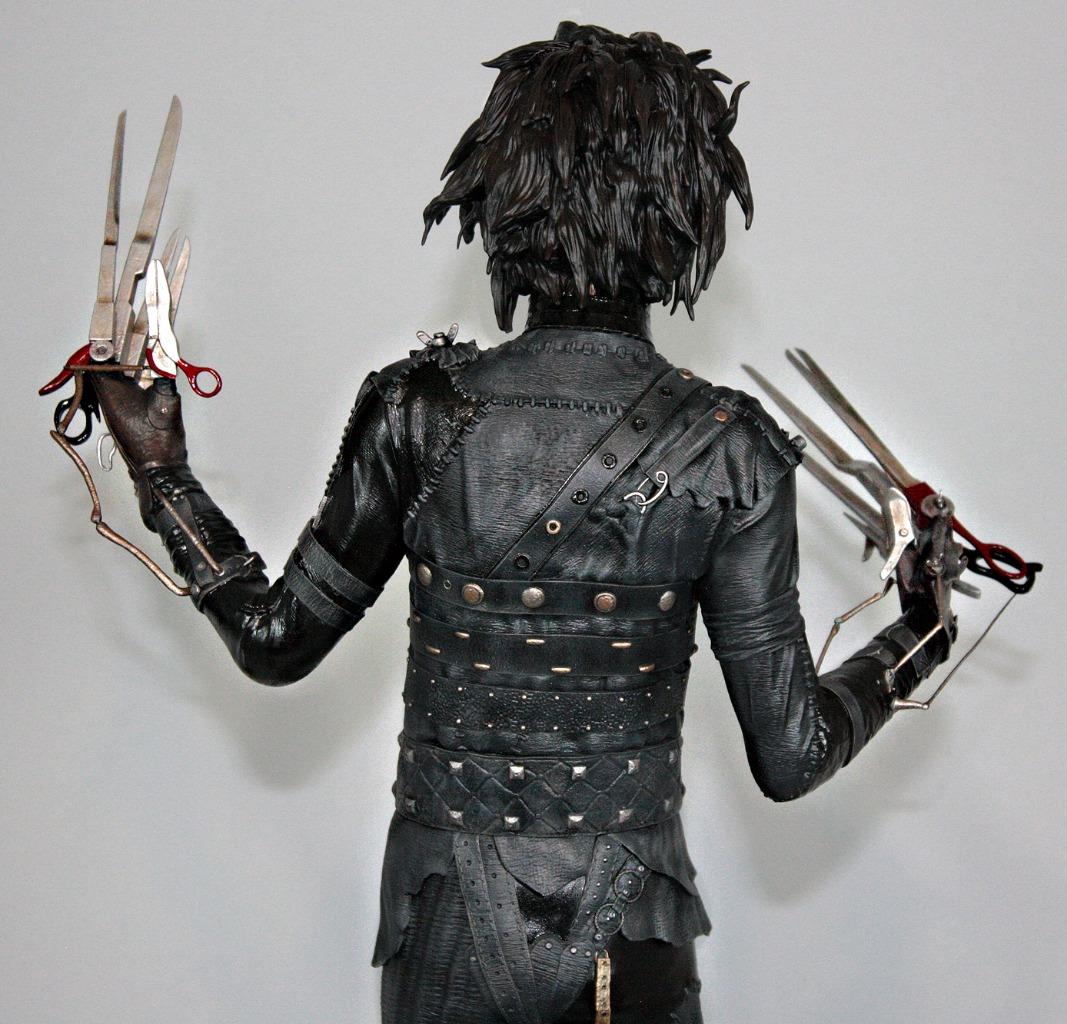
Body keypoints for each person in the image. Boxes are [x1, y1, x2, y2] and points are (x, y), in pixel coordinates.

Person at [92, 22, 957, 1024]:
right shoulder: (733, 450)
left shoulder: (415, 410)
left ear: (502, 192)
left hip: (442, 930)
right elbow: (793, 753)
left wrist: (162, 473)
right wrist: (921, 629)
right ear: (685, 209)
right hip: (630, 937)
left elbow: (274, 641)